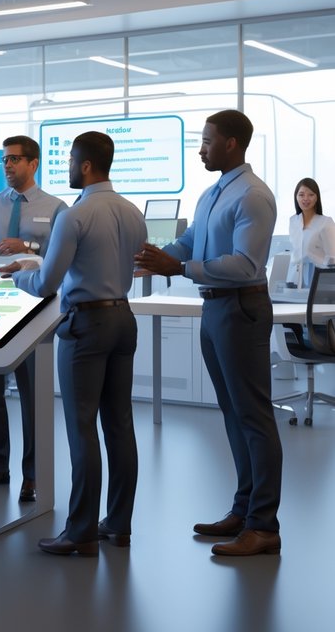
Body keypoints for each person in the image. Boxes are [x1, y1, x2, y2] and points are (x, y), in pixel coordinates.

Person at [135, 109, 282, 556]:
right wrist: (151, 255)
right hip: (215, 309)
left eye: (206, 140)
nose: (200, 148)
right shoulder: (212, 194)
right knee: (234, 416)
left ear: (231, 143)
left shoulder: (253, 196)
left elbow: (246, 264)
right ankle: (243, 510)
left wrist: (179, 267)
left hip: (241, 307)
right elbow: (191, 241)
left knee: (254, 418)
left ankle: (264, 526)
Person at [2, 131, 145, 556]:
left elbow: (47, 281)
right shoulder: (131, 211)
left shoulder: (76, 215)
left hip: (86, 325)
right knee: (119, 425)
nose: (64, 167)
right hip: (123, 317)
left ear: (85, 166)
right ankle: (118, 525)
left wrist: (17, 274)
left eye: (68, 160)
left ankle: (80, 529)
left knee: (81, 427)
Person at [0, 135, 66, 502]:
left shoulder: (56, 207)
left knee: (32, 397)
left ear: (33, 164)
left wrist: (29, 247)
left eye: (15, 160)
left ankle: (33, 474)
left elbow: (62, 254)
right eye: (4, 160)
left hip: (35, 312)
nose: (8, 165)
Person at [286, 178, 335, 288]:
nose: (306, 199)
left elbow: (333, 257)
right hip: (294, 279)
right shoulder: (293, 221)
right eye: (301, 195)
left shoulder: (326, 222)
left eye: (311, 195)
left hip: (319, 279)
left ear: (317, 197)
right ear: (296, 197)